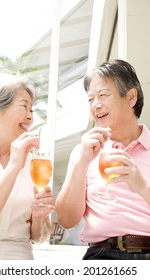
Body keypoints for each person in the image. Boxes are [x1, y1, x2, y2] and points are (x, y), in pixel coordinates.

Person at [55, 59, 150, 260]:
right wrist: (81, 164)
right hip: (102, 256)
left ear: (131, 97)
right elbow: (66, 220)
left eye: (103, 95)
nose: (95, 105)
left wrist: (141, 185)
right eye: (91, 99)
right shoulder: (84, 151)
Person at [0, 72, 55, 260]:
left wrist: (39, 217)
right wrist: (13, 167)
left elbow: (40, 237)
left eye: (32, 111)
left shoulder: (35, 164)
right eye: (24, 107)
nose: (30, 118)